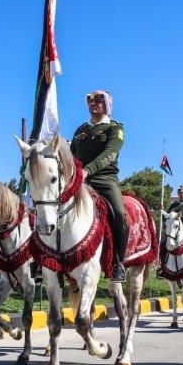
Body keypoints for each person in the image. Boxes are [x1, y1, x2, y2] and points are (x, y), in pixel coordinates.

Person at [70, 89, 128, 282]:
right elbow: (71, 156)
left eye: (99, 100)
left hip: (105, 179)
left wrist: (87, 170)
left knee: (120, 214)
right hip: (80, 180)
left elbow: (110, 154)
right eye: (90, 100)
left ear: (107, 104)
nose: (94, 104)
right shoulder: (80, 131)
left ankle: (118, 263)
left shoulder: (115, 128)